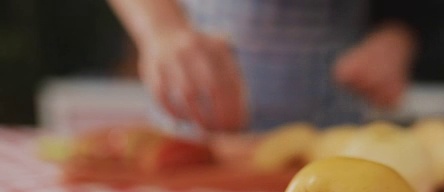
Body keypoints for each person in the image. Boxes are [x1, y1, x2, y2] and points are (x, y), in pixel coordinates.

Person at [107, 0, 420, 138]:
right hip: (192, 137)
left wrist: (397, 35)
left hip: (337, 140)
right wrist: (162, 28)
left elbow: (414, 12)